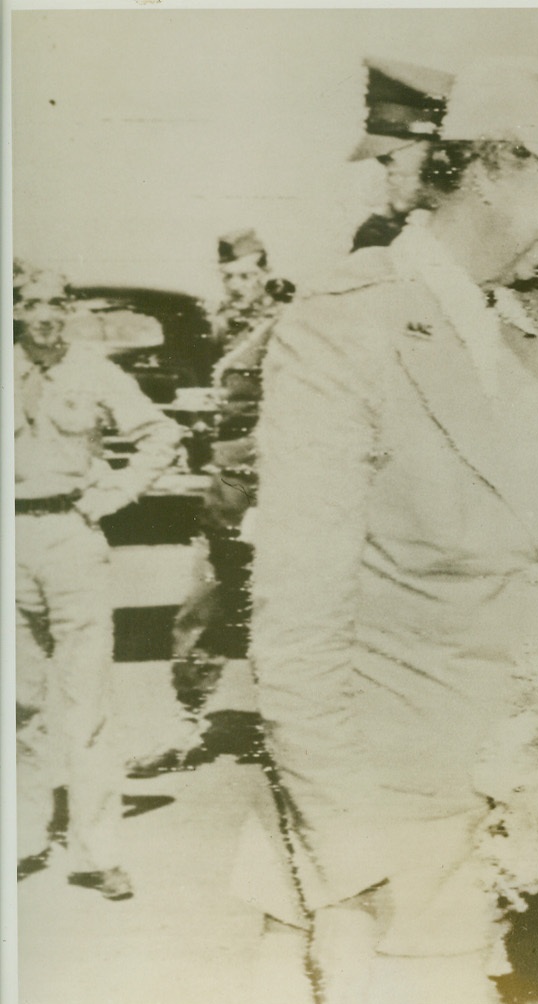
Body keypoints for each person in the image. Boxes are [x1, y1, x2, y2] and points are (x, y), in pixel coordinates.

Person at [247, 58, 538, 1004]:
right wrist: (347, 865)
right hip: (390, 842)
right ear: (491, 168)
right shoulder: (345, 324)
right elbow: (298, 626)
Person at [14, 261, 183, 900]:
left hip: (71, 536)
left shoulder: (93, 371)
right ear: (16, 309)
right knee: (19, 700)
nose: (45, 315)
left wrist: (111, 495)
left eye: (56, 303)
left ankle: (97, 852)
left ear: (70, 310)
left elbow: (160, 433)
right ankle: (23, 836)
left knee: (86, 700)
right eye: (31, 303)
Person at [128, 229, 294, 778]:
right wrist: (205, 412)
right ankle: (186, 724)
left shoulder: (287, 324)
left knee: (276, 606)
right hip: (227, 485)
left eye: (246, 275)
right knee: (201, 605)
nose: (238, 286)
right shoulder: (227, 327)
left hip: (266, 483)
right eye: (229, 277)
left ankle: (291, 731)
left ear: (265, 273)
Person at [348, 58, 453, 252]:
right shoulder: (381, 233)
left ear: (434, 145)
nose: (389, 166)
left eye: (392, 153)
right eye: (384, 158)